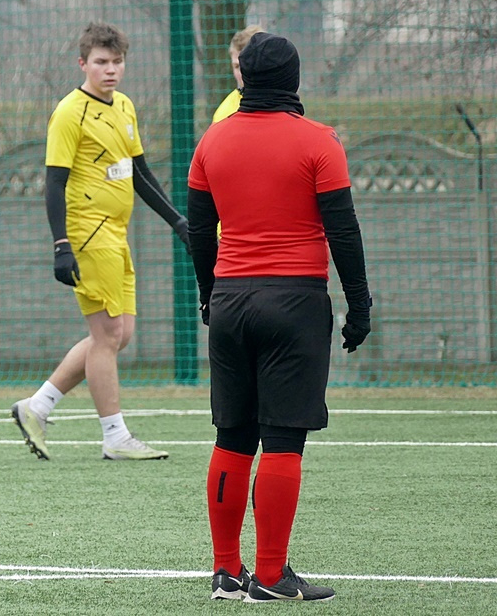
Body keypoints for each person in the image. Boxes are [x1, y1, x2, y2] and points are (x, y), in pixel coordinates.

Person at [187, 32, 371, 602]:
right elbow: (343, 230)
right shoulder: (319, 141)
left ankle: (225, 572)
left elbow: (200, 230)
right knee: (283, 440)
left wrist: (208, 295)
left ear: (244, 76)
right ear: (293, 79)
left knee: (232, 436)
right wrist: (359, 304)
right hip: (294, 302)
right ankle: (270, 576)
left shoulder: (212, 141)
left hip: (231, 299)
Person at [11, 22, 190, 461]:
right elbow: (54, 183)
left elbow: (140, 174)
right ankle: (115, 436)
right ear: (83, 63)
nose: (110, 70)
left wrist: (178, 222)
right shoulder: (69, 113)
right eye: (101, 62)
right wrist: (60, 245)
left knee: (118, 334)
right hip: (87, 233)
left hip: (116, 232)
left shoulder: (124, 106)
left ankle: (37, 407)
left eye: (117, 61)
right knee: (108, 334)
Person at [211, 25, 265, 124]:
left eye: (247, 64)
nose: (242, 73)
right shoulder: (225, 114)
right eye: (237, 66)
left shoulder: (287, 102)